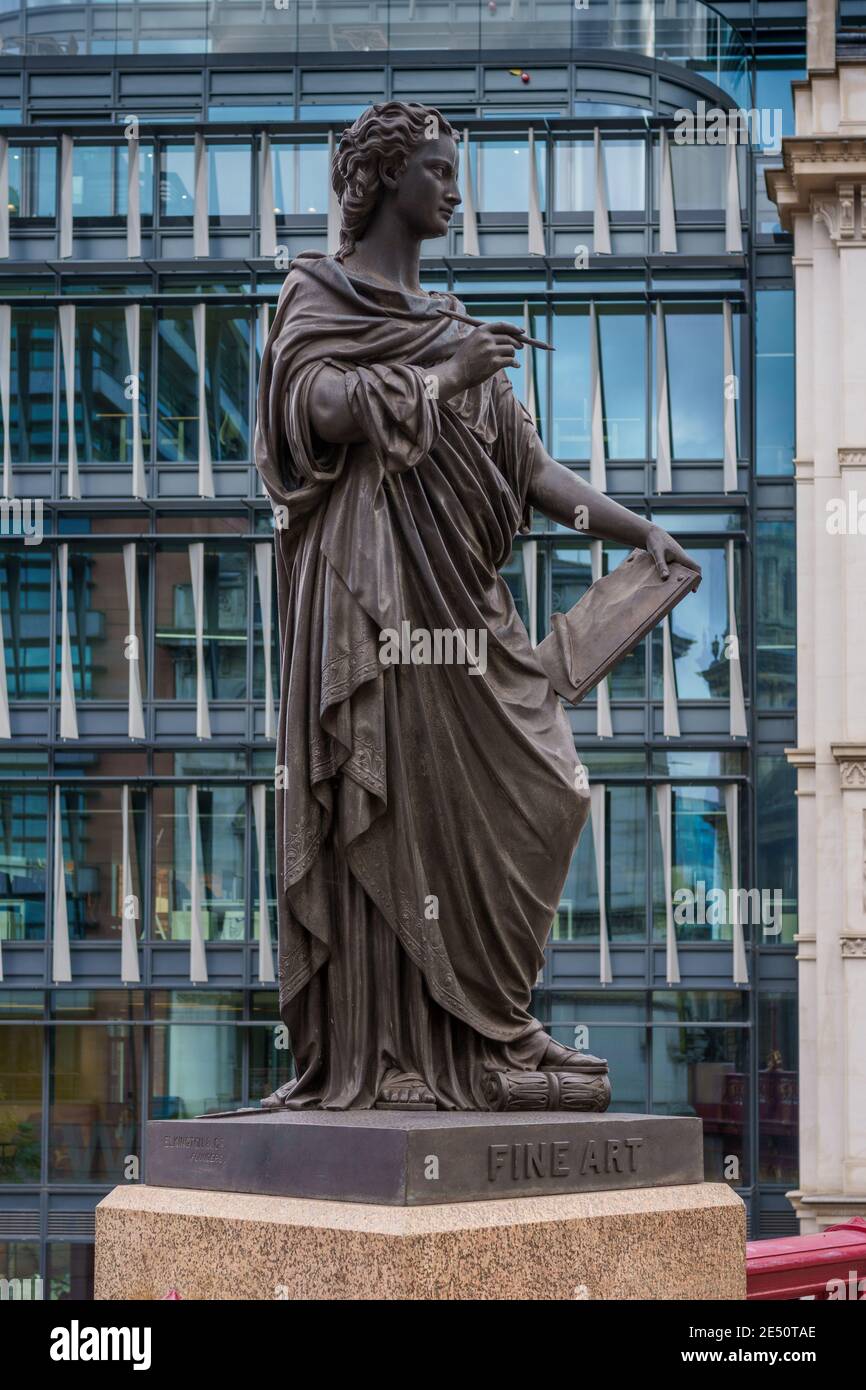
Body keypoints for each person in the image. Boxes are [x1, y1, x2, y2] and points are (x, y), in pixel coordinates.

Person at [254, 102, 700, 1109]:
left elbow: (532, 469)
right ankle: (394, 1058)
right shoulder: (316, 295)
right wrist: (440, 376)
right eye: (438, 170)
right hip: (372, 602)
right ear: (381, 181)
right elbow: (312, 411)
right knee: (389, 798)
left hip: (463, 603)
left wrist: (637, 534)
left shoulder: (457, 319)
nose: (455, 190)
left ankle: (489, 1026)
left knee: (549, 786)